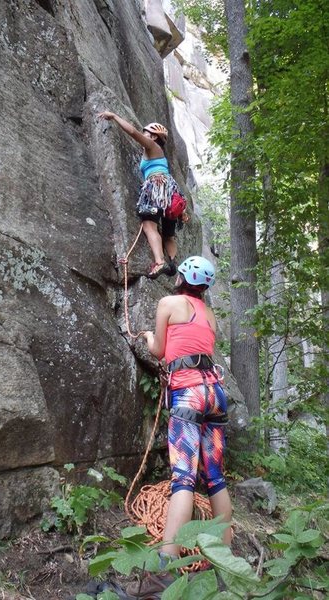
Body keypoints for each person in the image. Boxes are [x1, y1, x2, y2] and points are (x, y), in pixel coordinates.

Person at [126, 255, 232, 598]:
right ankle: (224, 561)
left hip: (187, 394)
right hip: (215, 392)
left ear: (181, 277)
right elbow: (194, 346)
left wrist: (144, 336)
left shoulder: (169, 302)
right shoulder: (210, 315)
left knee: (184, 477)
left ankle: (163, 569)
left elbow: (160, 351)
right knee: (214, 477)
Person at [97, 111, 188, 279]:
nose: (144, 135)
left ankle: (160, 262)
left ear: (154, 137)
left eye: (147, 133)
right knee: (168, 235)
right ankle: (174, 265)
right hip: (169, 193)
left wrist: (115, 117)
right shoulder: (159, 156)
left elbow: (133, 132)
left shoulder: (152, 146)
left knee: (149, 226)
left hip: (156, 189)